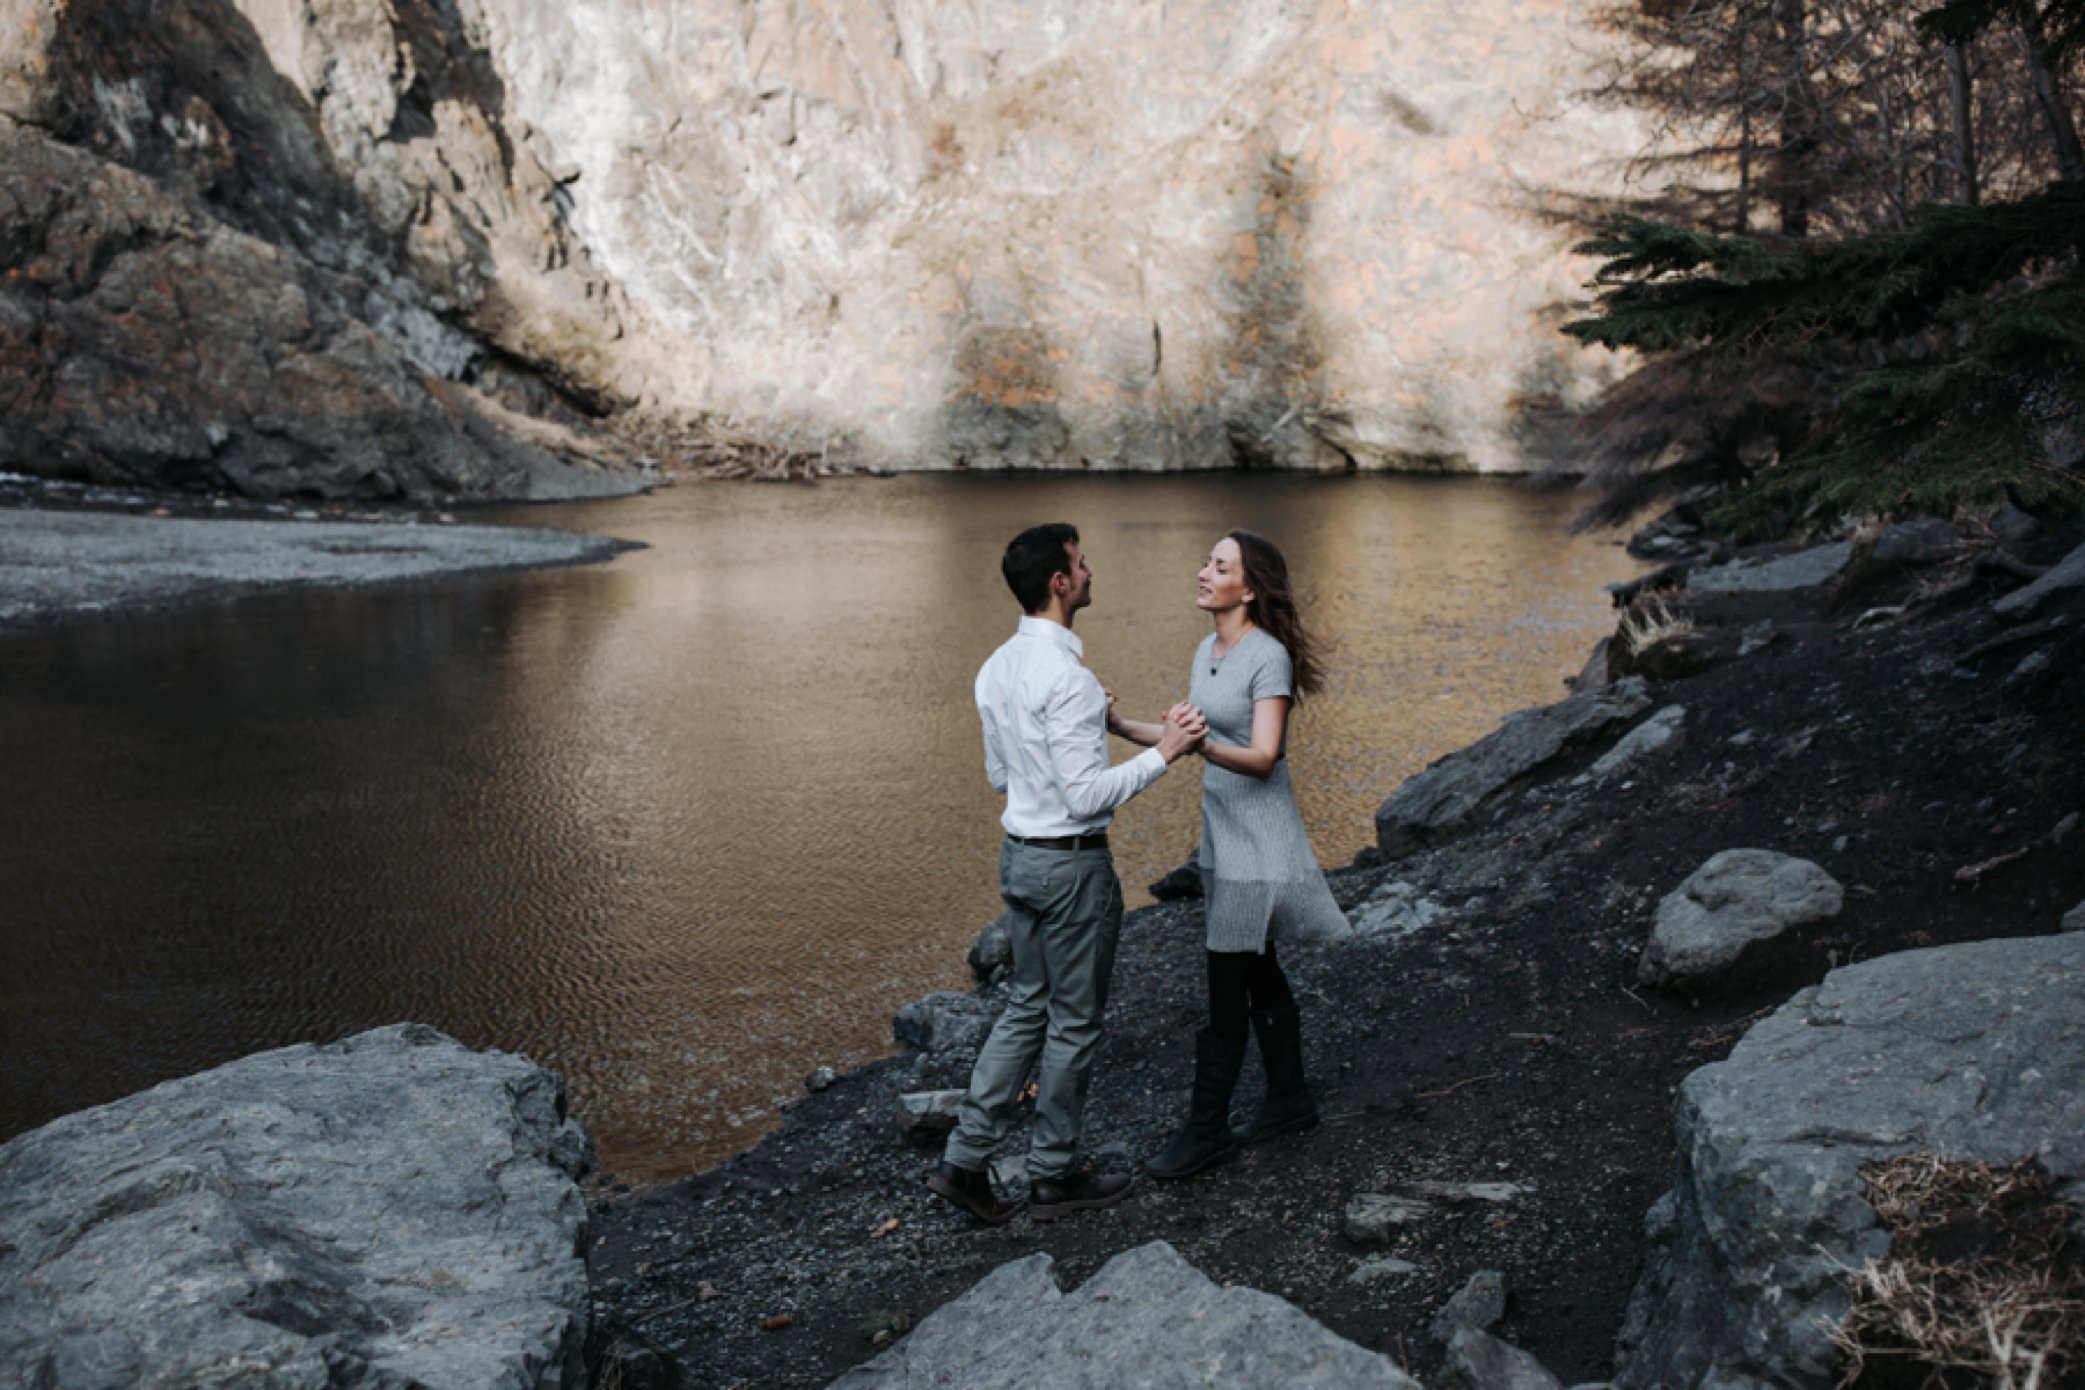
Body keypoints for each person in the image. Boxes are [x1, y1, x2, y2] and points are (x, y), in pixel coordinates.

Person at [926, 523, 1206, 1224]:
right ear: (1058, 582)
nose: (1088, 572)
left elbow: (1000, 775)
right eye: (1080, 564)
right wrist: (1165, 751)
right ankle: (1053, 1174)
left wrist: (1089, 722)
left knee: (1026, 1006)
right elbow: (1084, 797)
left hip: (1019, 860)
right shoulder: (1069, 680)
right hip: (1071, 870)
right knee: (1073, 1023)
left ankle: (964, 1161)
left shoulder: (994, 668)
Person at [1109, 529, 1348, 1180]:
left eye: (1218, 566)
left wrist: (1203, 749)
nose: (1203, 572)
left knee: (1225, 981)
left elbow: (1264, 754)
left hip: (1257, 839)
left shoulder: (1266, 656)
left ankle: (1207, 1129)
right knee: (1258, 966)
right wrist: (1117, 725)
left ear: (1248, 587)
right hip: (1221, 833)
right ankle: (1289, 1099)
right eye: (1205, 562)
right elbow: (1181, 735)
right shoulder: (1206, 649)